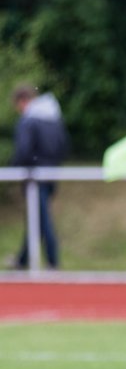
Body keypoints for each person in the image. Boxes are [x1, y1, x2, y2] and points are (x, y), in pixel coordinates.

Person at [8, 85, 69, 270]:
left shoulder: (29, 121)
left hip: (34, 175)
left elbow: (24, 150)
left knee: (41, 218)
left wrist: (13, 169)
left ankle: (52, 260)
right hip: (51, 174)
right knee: (37, 218)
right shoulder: (54, 118)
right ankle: (22, 259)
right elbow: (64, 146)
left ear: (23, 101)